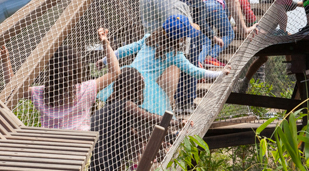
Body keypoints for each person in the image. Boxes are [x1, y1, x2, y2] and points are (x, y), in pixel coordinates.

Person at [138, 0, 251, 107]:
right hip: (173, 0)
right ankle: (164, 111)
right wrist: (243, 28)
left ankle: (147, 104)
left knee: (155, 51)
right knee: (173, 56)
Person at [96, 14, 231, 116]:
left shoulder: (148, 38)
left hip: (126, 75)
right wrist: (220, 73)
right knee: (136, 111)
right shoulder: (174, 55)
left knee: (115, 104)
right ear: (180, 38)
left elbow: (125, 50)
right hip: (143, 85)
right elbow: (194, 71)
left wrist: (104, 60)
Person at [0, 28, 120, 130]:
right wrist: (106, 44)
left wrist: (6, 62)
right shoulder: (85, 89)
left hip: (51, 151)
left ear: (51, 70)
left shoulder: (41, 94)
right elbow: (115, 72)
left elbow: (14, 89)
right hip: (80, 151)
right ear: (77, 69)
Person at [86, 67, 186, 171]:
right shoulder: (126, 105)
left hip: (92, 155)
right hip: (102, 158)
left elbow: (136, 132)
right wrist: (178, 123)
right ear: (136, 88)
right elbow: (150, 117)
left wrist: (169, 139)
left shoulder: (111, 104)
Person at [200, 0, 257, 67]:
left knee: (207, 40)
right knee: (230, 34)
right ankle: (212, 56)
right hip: (216, 6)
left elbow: (223, 24)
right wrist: (255, 24)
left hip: (203, 6)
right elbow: (249, 14)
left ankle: (199, 61)